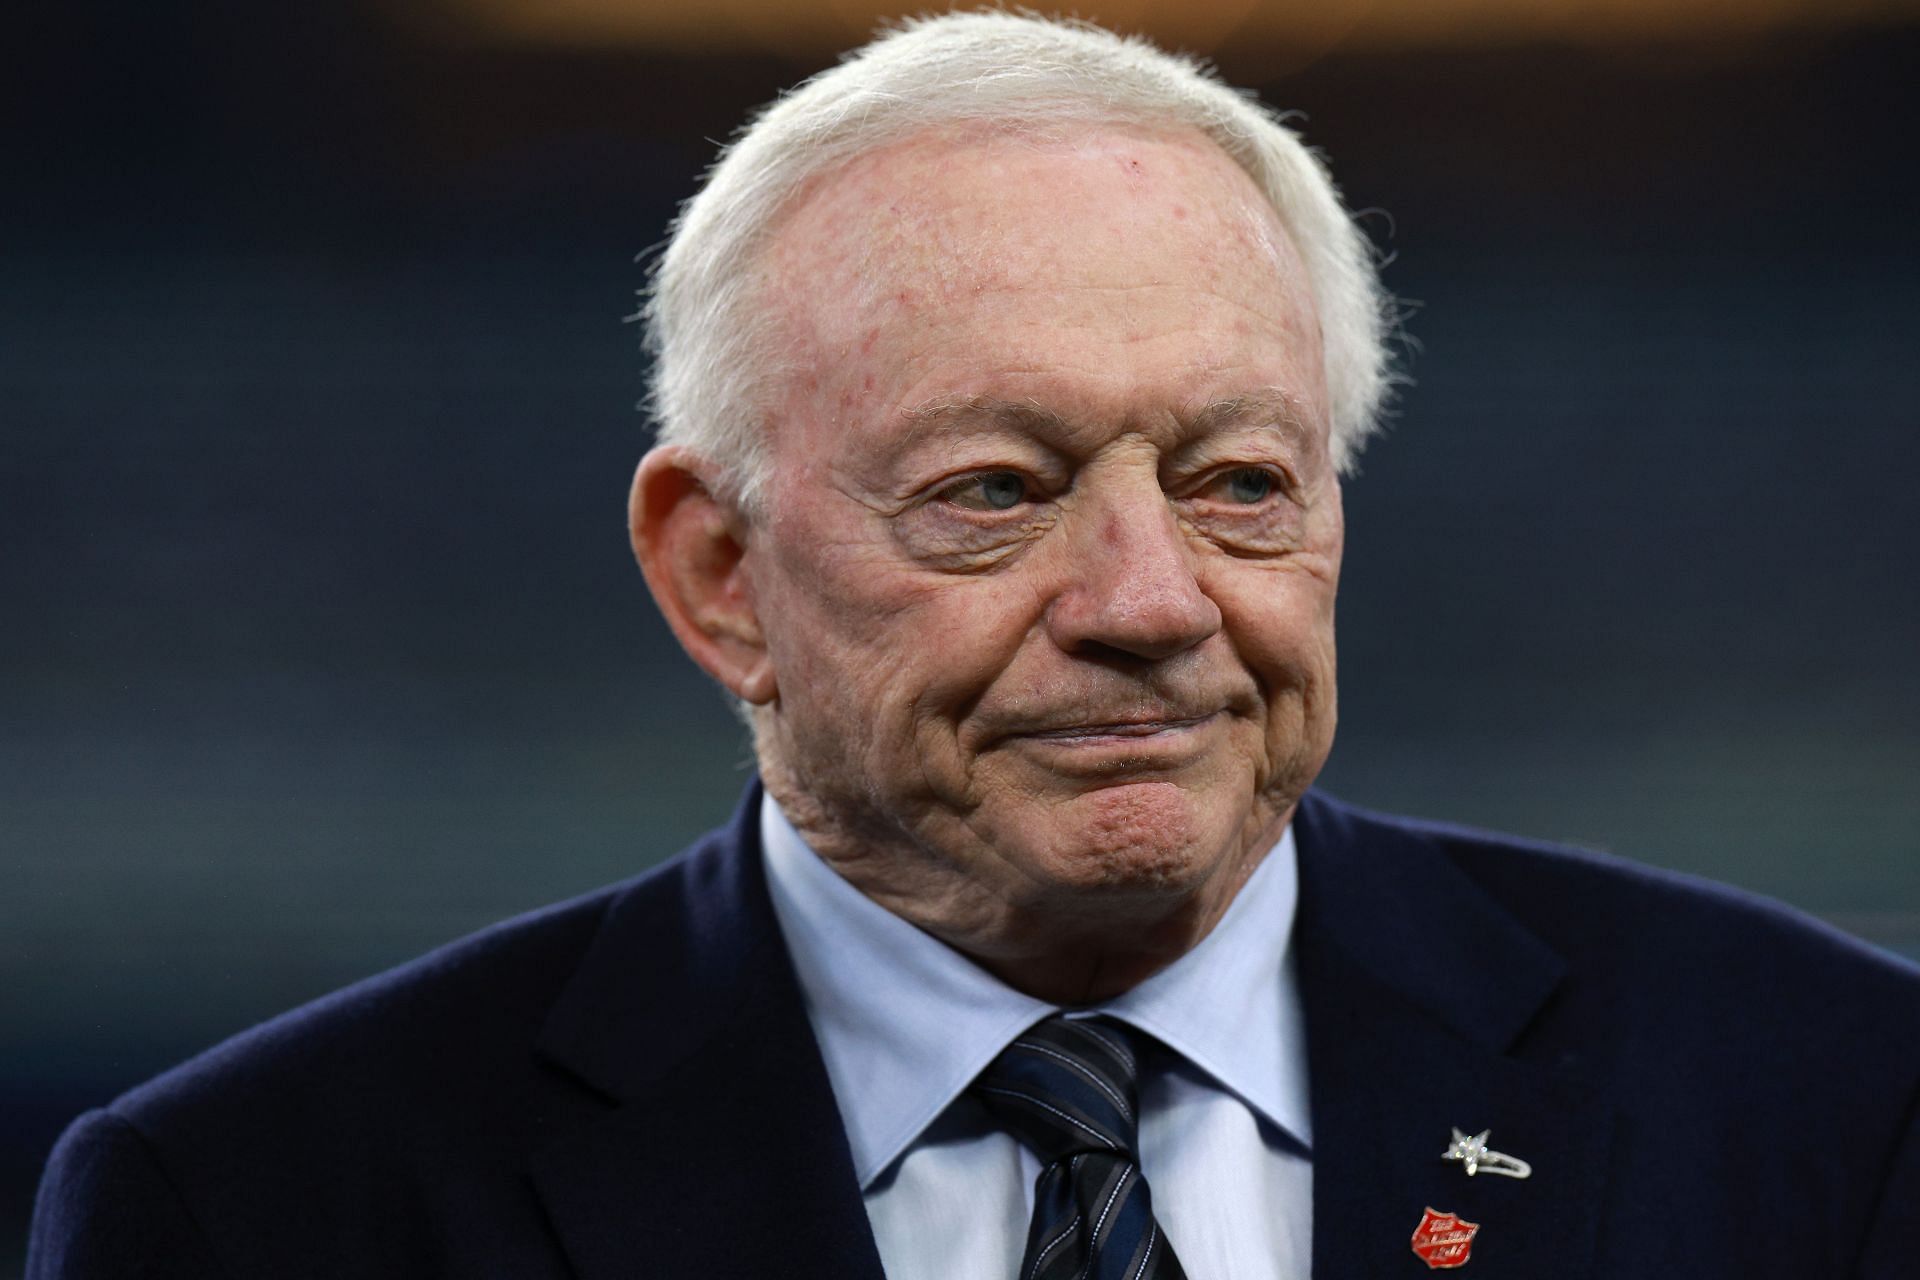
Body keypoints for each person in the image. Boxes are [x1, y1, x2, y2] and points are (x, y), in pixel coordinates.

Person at [29, 12, 1920, 1279]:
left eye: (1239, 482)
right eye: (995, 491)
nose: (1150, 601)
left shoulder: (1830, 1110)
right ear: (717, 577)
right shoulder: (265, 1207)